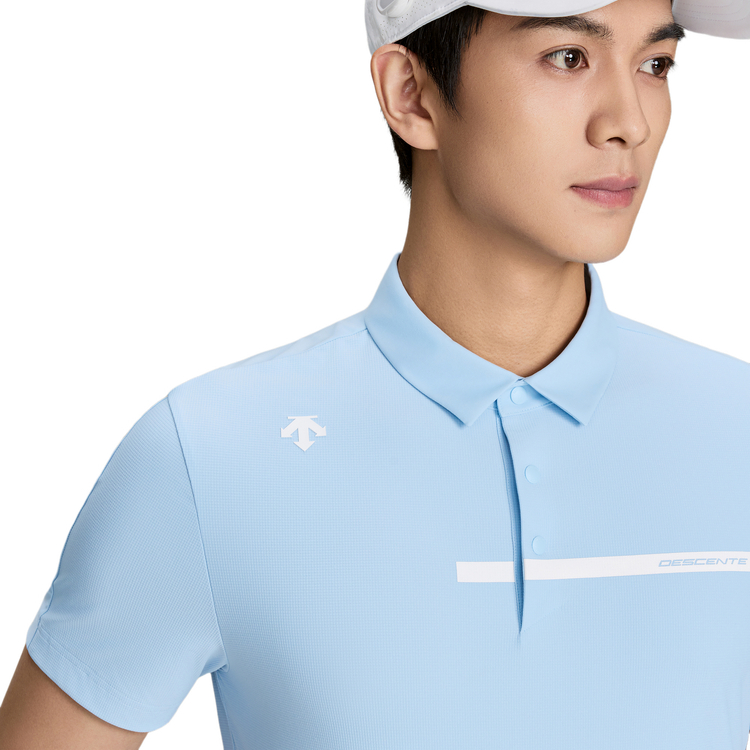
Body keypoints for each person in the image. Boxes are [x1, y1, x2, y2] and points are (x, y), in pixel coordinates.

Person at [1, 0, 749, 747]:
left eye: (655, 64)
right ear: (410, 94)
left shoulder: (736, 430)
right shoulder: (210, 457)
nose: (629, 123)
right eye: (568, 58)